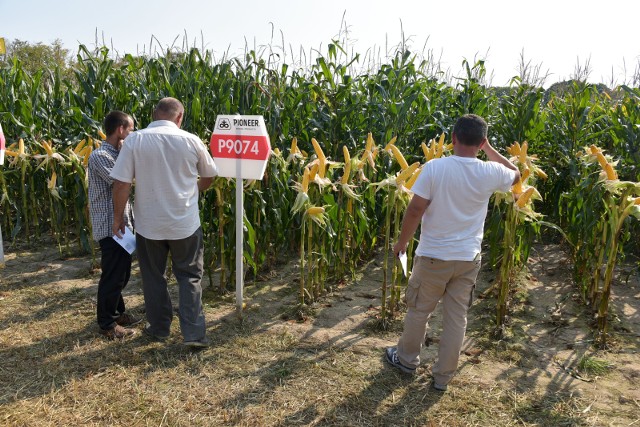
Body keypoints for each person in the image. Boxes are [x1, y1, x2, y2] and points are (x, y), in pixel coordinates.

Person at [385, 114, 520, 391]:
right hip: (468, 259)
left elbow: (415, 209)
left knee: (419, 310)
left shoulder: (435, 167)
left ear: (454, 138)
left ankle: (407, 361)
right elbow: (517, 174)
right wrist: (490, 149)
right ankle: (443, 377)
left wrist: (402, 243)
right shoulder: (490, 171)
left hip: (434, 256)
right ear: (481, 142)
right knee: (456, 319)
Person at [110, 97, 217, 348]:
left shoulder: (135, 140)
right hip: (185, 224)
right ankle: (194, 335)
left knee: (153, 276)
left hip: (149, 225)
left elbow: (122, 183)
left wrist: (118, 218)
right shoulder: (191, 140)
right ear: (179, 118)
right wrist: (195, 191)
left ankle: (159, 329)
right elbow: (210, 174)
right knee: (189, 277)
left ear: (154, 114)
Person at [88, 110, 140, 339]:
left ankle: (117, 312)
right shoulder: (101, 156)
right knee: (113, 275)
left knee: (122, 272)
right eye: (131, 130)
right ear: (121, 130)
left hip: (122, 227)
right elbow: (122, 181)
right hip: (111, 226)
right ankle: (107, 323)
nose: (133, 135)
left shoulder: (118, 154)